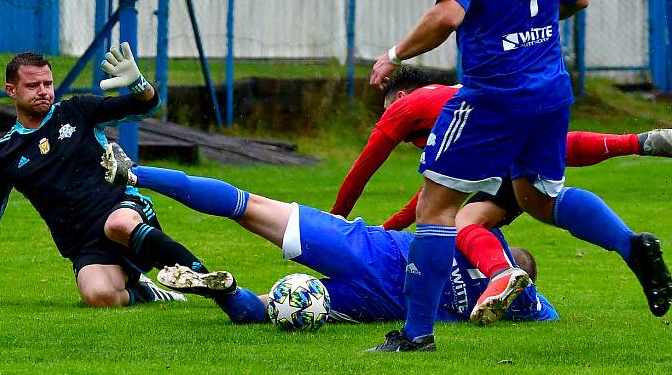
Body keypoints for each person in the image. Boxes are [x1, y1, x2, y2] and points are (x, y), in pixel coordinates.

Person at [366, 0, 671, 351]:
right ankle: (630, 245)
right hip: (550, 92)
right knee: (538, 198)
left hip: (494, 95)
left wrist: (394, 55)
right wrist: (531, 30)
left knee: (436, 208)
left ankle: (416, 334)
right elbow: (578, 0)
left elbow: (448, 15)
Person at [100, 144, 558, 345]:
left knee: (246, 205)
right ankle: (226, 293)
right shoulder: (523, 305)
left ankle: (136, 173)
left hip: (369, 249)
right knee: (261, 310)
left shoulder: (481, 236)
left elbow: (463, 226)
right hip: (374, 304)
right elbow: (548, 313)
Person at [0, 44, 227, 308]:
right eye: (33, 86)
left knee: (118, 223)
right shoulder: (4, 156)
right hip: (84, 243)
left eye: (48, 83)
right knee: (98, 296)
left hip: (124, 211)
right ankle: (147, 292)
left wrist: (138, 84)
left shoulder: (77, 111)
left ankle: (211, 282)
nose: (43, 91)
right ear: (11, 91)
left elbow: (145, 106)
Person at [332, 65, 672, 230]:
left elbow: (363, 168)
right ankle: (635, 142)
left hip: (490, 132)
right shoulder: (445, 98)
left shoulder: (405, 109)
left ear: (397, 96)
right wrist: (388, 228)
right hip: (521, 100)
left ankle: (426, 326)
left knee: (461, 224)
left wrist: (335, 220)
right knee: (541, 154)